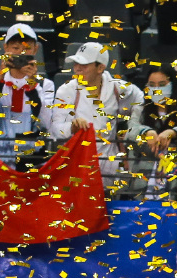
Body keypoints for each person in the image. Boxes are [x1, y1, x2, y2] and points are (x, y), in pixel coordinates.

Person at [50, 42, 144, 188]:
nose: (77, 68)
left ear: (100, 68)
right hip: (77, 166)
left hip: (109, 166)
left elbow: (140, 98)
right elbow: (56, 129)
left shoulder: (116, 87)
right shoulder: (66, 91)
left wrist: (131, 126)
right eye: (76, 64)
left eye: (84, 65)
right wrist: (72, 127)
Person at [0, 23, 54, 170]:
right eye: (15, 48)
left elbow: (46, 122)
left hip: (31, 157)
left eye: (27, 48)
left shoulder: (45, 85)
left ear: (35, 49)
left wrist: (33, 87)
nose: (21, 53)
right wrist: (0, 80)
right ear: (5, 48)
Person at [127, 64, 177, 198]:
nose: (157, 90)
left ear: (172, 85)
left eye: (162, 85)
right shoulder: (140, 111)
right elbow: (130, 131)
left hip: (176, 182)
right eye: (152, 85)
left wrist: (173, 132)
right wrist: (146, 132)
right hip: (143, 180)